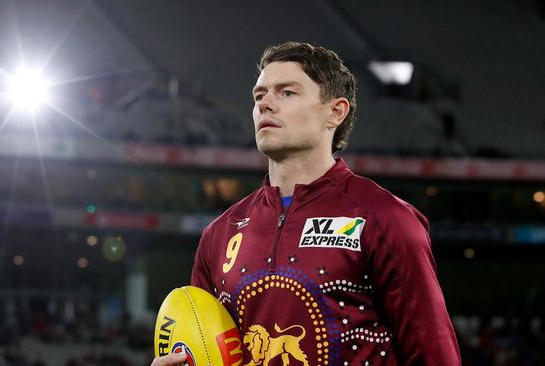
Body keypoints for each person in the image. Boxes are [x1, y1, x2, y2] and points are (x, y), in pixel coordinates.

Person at [152, 41, 461, 366]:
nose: (266, 104)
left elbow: (434, 355)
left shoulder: (386, 219)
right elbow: (204, 351)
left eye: (287, 92)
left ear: (335, 112)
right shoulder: (219, 234)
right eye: (260, 96)